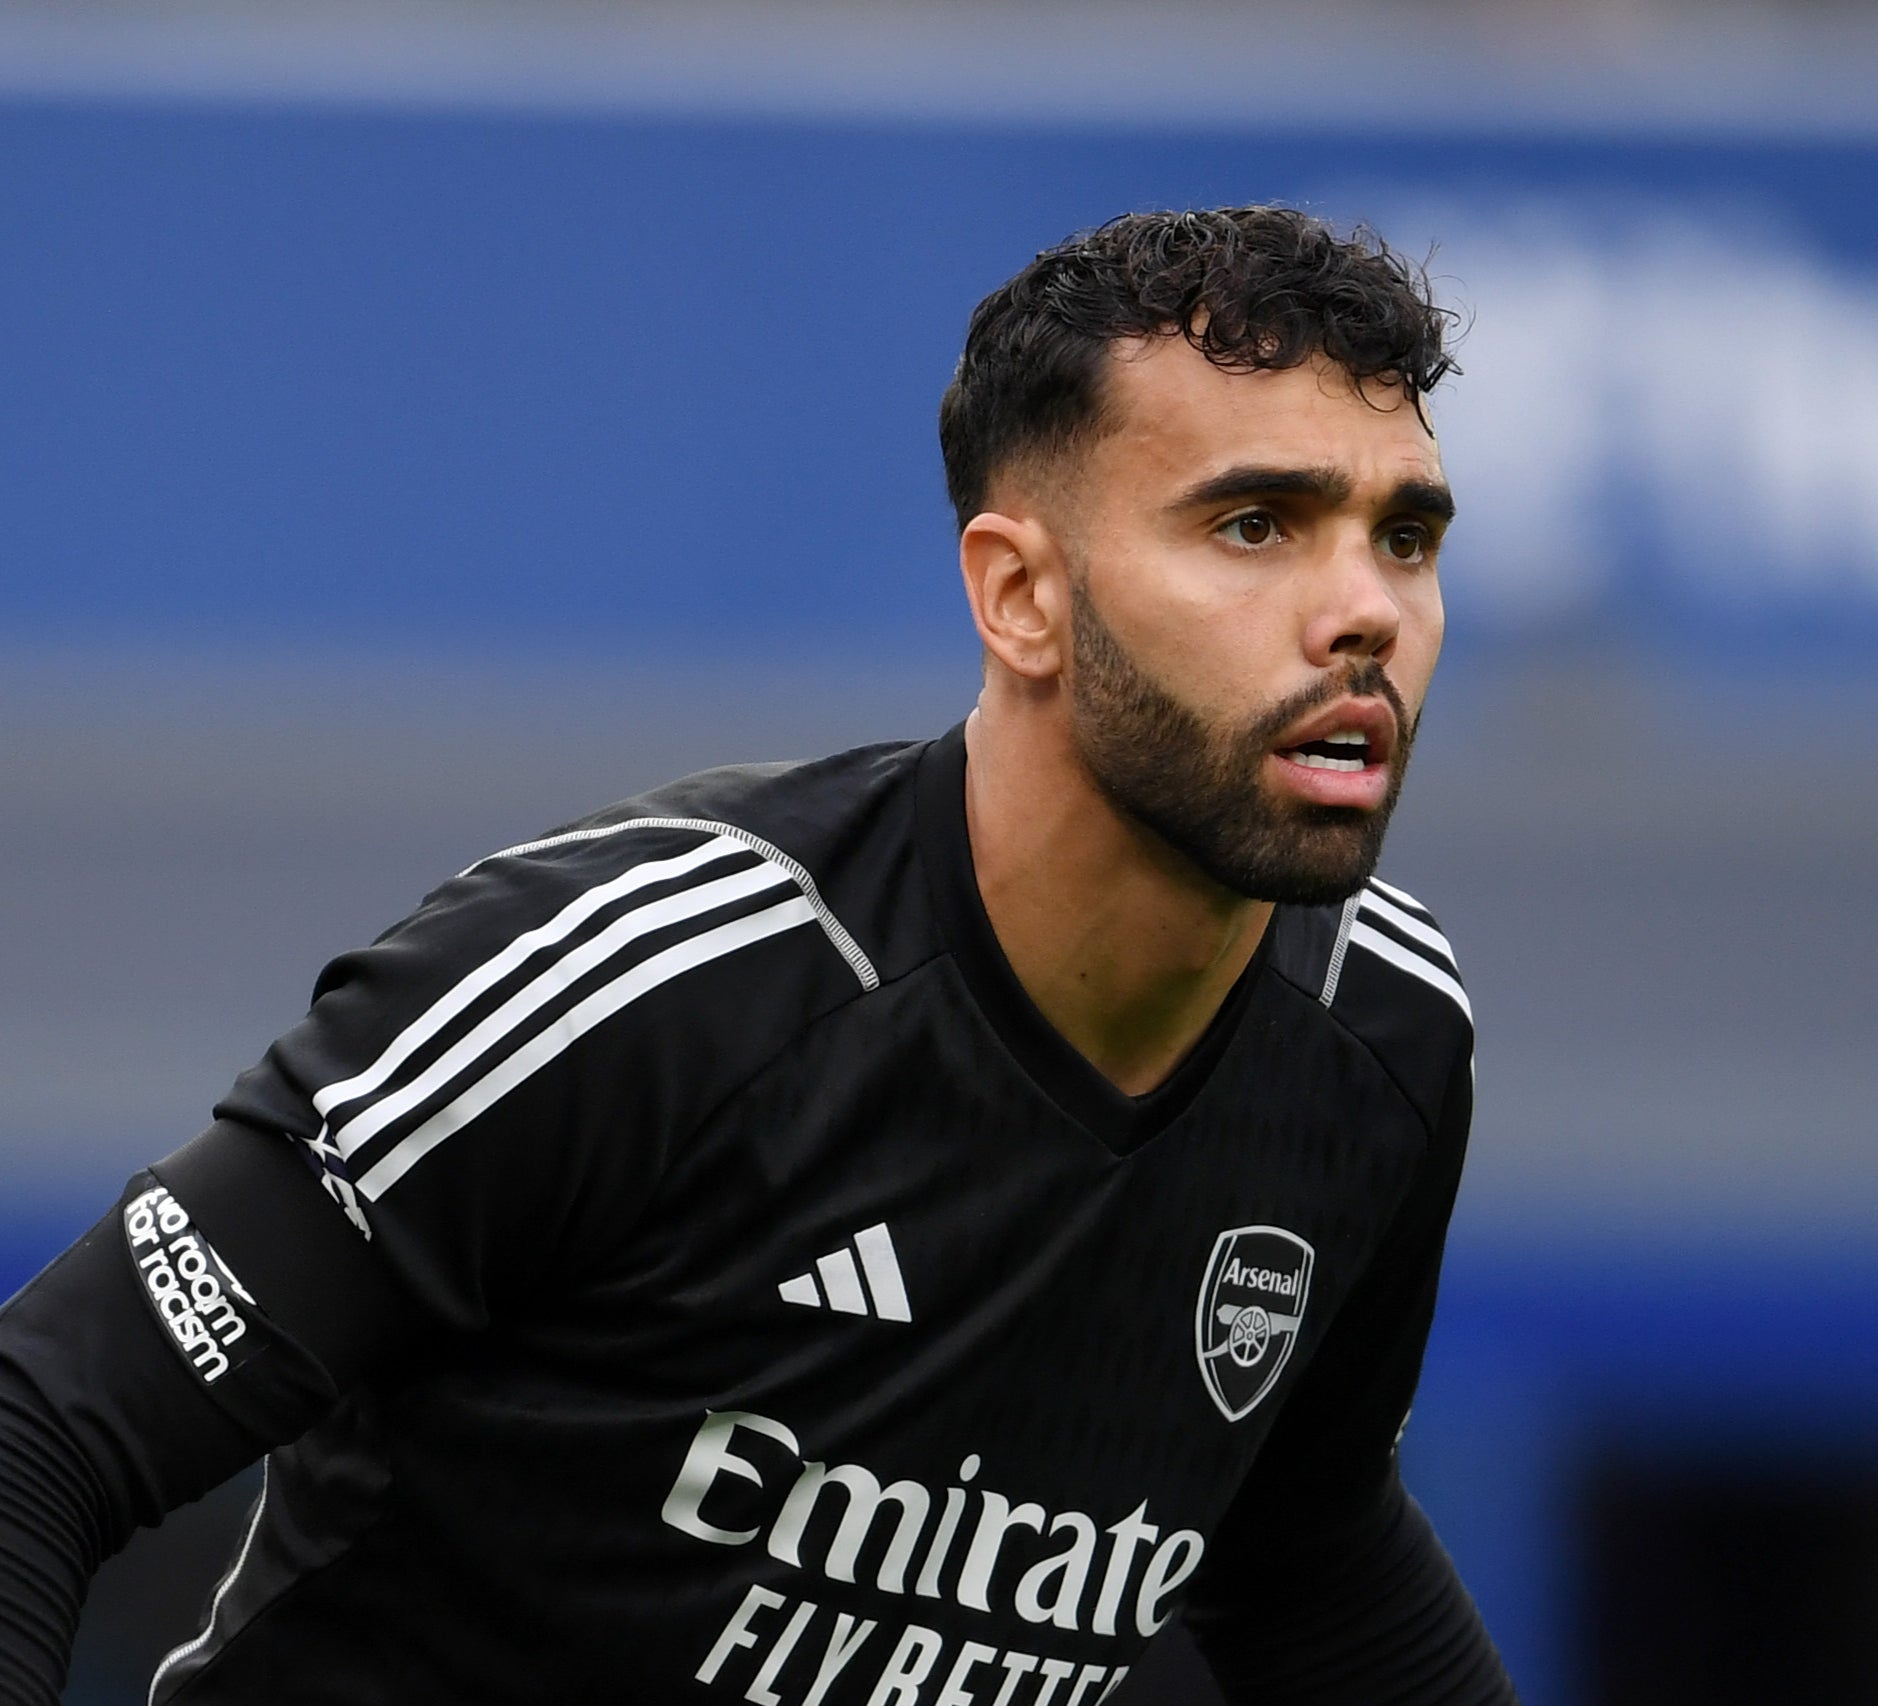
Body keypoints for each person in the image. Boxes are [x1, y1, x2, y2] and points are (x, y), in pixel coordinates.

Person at [0, 205, 1515, 1706]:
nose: (1364, 613)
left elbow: (1307, 1550)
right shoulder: (652, 979)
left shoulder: (1378, 1032)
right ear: (1020, 595)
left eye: (1405, 537)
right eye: (1254, 525)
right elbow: (43, 1422)